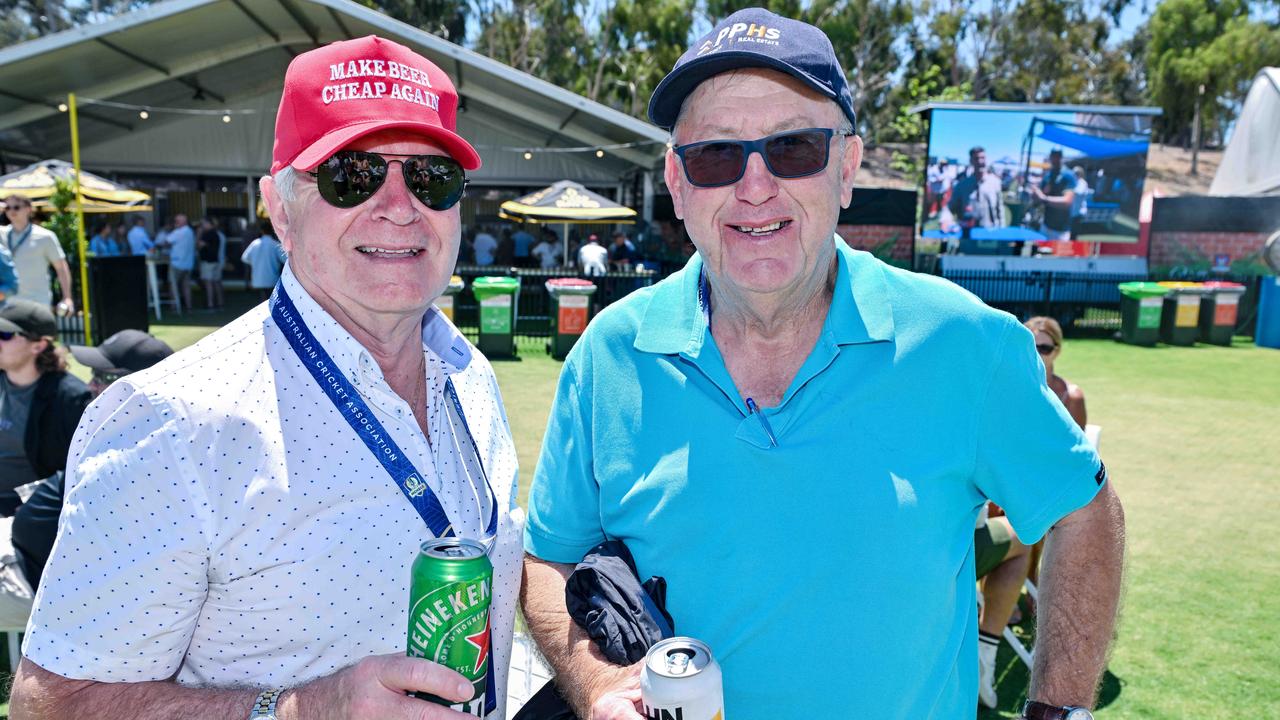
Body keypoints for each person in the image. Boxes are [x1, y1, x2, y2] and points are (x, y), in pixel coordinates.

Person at [520, 9, 1124, 720]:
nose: (754, 187)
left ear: (846, 168)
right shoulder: (608, 353)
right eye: (716, 156)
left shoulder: (967, 342)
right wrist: (595, 687)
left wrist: (1059, 709)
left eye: (794, 148)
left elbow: (1085, 509)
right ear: (677, 184)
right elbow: (547, 559)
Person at [11, 34, 525, 720]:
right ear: (279, 208)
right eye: (352, 175)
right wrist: (300, 709)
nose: (400, 206)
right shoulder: (172, 420)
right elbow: (52, 703)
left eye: (432, 177)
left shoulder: (471, 374)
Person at [0, 329, 173, 629]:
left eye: (103, 377)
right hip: (25, 555)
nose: (90, 383)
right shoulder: (121, 436)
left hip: (39, 586)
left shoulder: (136, 455)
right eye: (93, 372)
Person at [976, 315, 1088, 708]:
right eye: (1031, 346)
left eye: (1045, 347)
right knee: (1017, 526)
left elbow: (1071, 469)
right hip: (998, 504)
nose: (1038, 354)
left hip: (1035, 497)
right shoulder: (1005, 391)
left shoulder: (1066, 395)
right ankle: (991, 641)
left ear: (1057, 350)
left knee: (1029, 522)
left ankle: (1012, 612)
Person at [0, 301, 90, 518]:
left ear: (38, 346)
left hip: (25, 509)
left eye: (5, 335)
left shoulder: (70, 398)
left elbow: (83, 468)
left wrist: (39, 507)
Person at [1, 195, 74, 314]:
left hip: (37, 304)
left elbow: (61, 268)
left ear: (29, 209)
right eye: (8, 207)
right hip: (7, 304)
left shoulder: (45, 236)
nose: (11, 211)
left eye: (16, 207)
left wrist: (67, 298)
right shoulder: (2, 234)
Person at [948, 146, 1005, 230]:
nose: (980, 161)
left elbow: (999, 208)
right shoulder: (961, 185)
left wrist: (1002, 229)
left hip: (990, 232)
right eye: (976, 158)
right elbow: (950, 208)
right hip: (967, 235)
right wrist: (946, 219)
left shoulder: (996, 183)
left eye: (983, 158)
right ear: (971, 161)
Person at [1032, 149, 1077, 242]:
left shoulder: (1068, 175)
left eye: (1058, 156)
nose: (1055, 159)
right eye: (1053, 156)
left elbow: (1067, 202)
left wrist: (1044, 198)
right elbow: (1038, 199)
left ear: (1061, 157)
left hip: (1061, 230)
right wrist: (1035, 195)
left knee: (1058, 256)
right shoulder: (1048, 175)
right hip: (1046, 225)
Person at [240, 220, 287, 301]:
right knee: (271, 301)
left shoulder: (255, 243)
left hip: (258, 279)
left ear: (261, 231)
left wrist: (255, 263)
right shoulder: (275, 244)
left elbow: (244, 258)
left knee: (262, 300)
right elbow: (285, 260)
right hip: (272, 279)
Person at [167, 213, 197, 310]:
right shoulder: (190, 231)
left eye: (177, 221)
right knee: (186, 286)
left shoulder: (178, 232)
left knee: (173, 285)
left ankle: (174, 307)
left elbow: (166, 241)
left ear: (183, 222)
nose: (175, 223)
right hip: (188, 264)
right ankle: (189, 307)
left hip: (177, 263)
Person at [196, 217, 226, 309]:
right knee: (216, 282)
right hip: (216, 261)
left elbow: (198, 245)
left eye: (203, 224)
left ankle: (210, 304)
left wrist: (198, 234)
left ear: (209, 224)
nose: (202, 226)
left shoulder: (207, 234)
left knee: (208, 283)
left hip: (208, 262)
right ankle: (220, 303)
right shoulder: (217, 234)